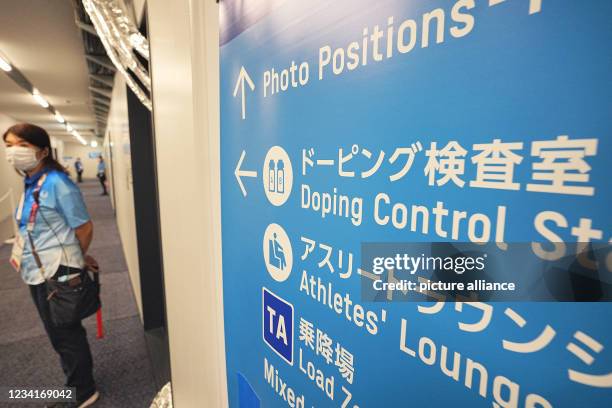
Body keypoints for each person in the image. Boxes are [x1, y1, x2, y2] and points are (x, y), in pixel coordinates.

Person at [3, 123, 100, 408]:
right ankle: (77, 382)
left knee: (66, 334)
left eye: (21, 145)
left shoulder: (57, 183)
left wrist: (77, 259)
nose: (12, 152)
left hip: (57, 272)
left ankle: (83, 391)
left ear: (42, 150)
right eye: (8, 145)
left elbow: (83, 227)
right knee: (57, 334)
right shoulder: (32, 181)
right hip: (36, 271)